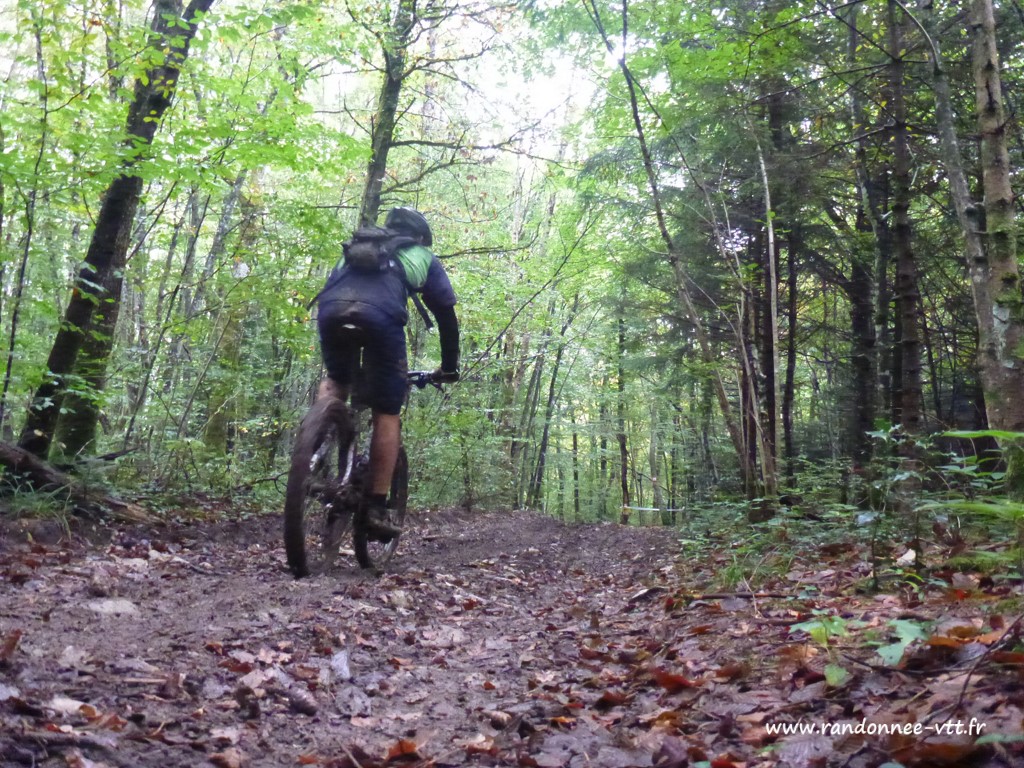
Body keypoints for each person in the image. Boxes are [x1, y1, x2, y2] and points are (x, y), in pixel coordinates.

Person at [315, 207, 460, 540]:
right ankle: (376, 507)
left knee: (337, 380)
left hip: (331, 311)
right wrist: (449, 367)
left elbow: (330, 287)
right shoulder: (422, 256)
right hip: (380, 319)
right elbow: (446, 317)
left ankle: (313, 454)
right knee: (387, 410)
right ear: (420, 237)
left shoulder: (356, 250)